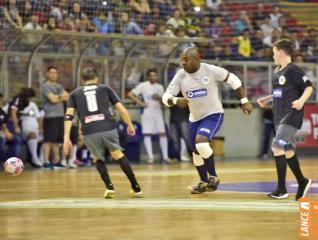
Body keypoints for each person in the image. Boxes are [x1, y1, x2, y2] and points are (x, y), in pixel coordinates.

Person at [162, 47, 253, 194]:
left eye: (186, 59)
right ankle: (203, 182)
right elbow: (165, 97)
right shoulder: (180, 75)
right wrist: (174, 100)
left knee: (202, 142)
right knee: (196, 153)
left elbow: (234, 79)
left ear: (197, 59)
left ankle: (214, 177)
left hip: (213, 114)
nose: (182, 62)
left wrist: (244, 100)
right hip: (194, 118)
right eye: (181, 59)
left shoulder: (210, 70)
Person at [63, 67, 143, 198]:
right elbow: (121, 109)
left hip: (89, 129)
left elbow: (68, 116)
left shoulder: (74, 94)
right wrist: (129, 124)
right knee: (117, 154)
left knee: (98, 158)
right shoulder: (105, 88)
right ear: (97, 79)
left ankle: (109, 187)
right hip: (108, 127)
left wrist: (66, 137)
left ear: (82, 80)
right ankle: (136, 187)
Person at [257, 39, 313, 200]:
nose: (273, 56)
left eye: (274, 53)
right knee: (288, 151)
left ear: (281, 53)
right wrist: (268, 98)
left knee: (276, 147)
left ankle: (281, 189)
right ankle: (302, 182)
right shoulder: (277, 72)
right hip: (278, 116)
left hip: (291, 116)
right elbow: (279, 93)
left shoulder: (293, 70)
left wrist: (301, 101)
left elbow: (309, 87)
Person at [128, 69, 172, 164]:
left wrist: (159, 98)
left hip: (158, 111)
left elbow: (164, 101)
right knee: (147, 134)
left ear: (157, 76)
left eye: (154, 75)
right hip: (147, 112)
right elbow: (130, 94)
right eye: (151, 75)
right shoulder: (143, 85)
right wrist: (141, 103)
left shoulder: (160, 87)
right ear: (148, 76)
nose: (153, 77)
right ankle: (150, 157)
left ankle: (165, 157)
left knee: (162, 133)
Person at [41, 66, 69, 169]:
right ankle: (46, 161)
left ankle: (56, 161)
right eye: (51, 73)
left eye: (55, 73)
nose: (53, 75)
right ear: (47, 74)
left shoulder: (59, 86)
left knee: (57, 141)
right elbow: (52, 99)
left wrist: (57, 97)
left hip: (60, 116)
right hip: (50, 116)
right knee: (48, 140)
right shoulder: (45, 86)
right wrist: (60, 97)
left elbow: (68, 96)